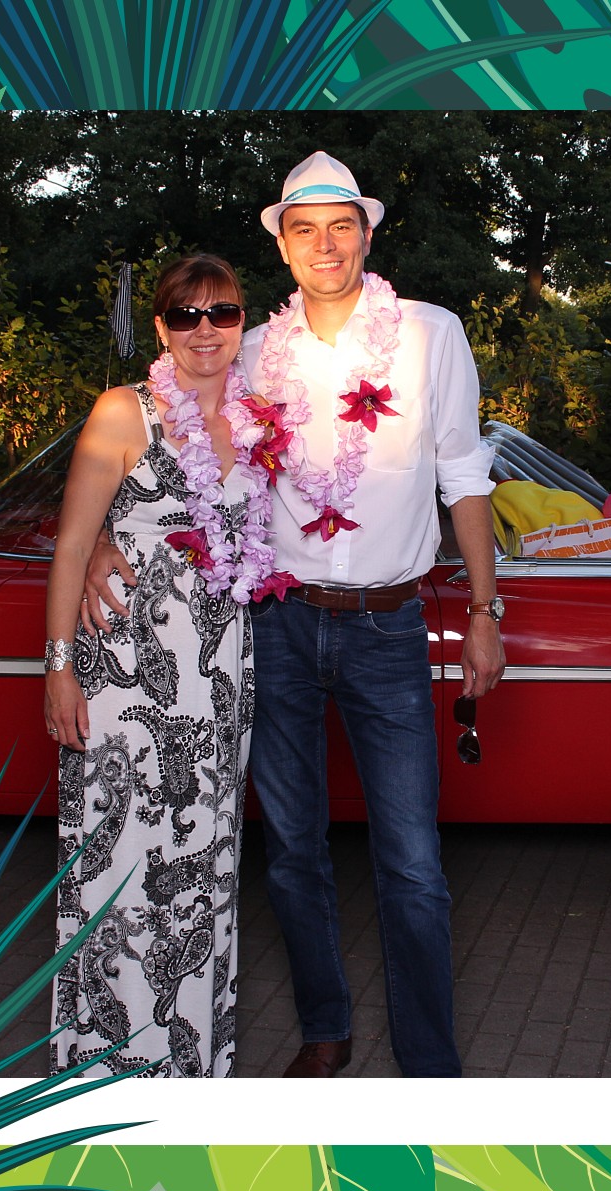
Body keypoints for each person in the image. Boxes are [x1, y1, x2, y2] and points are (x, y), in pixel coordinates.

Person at [85, 151, 505, 1077]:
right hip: (271, 627)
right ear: (282, 245)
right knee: (291, 851)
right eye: (304, 229)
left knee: (412, 862)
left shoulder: (430, 334)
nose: (325, 244)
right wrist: (104, 537)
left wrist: (484, 607)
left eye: (341, 225)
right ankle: (324, 1029)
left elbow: (464, 473)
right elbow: (173, 442)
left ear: (367, 234)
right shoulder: (251, 350)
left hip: (389, 626)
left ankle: (430, 1065)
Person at [46, 254, 292, 1078]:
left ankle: (192, 1071)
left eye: (222, 313)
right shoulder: (124, 412)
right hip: (123, 681)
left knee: (203, 870)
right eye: (185, 315)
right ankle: (103, 1075)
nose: (204, 331)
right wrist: (58, 668)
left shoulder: (261, 424)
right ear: (161, 327)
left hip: (219, 682)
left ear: (243, 323)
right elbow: (72, 545)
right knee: (119, 872)